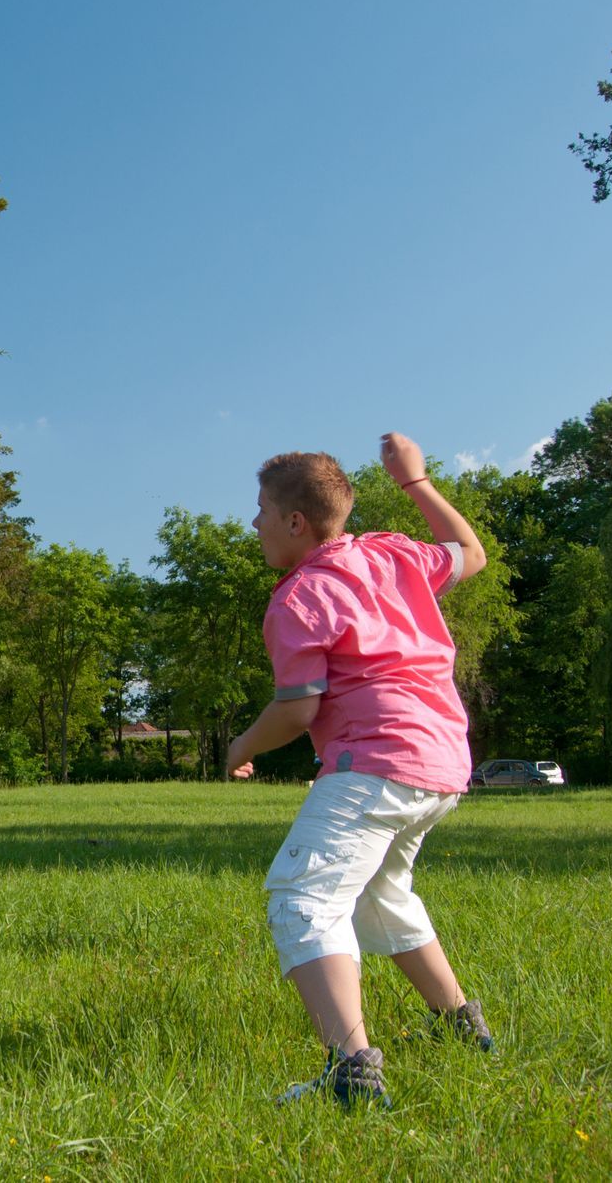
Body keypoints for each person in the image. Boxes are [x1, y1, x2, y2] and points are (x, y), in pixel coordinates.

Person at [226, 434, 497, 1110]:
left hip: (372, 764)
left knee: (303, 898)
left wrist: (238, 746)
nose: (252, 522)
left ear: (295, 522)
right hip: (439, 763)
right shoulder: (391, 553)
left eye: (261, 510)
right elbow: (473, 554)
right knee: (382, 897)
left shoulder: (299, 597)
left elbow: (298, 709)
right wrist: (418, 482)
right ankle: (465, 1030)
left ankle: (349, 1069)